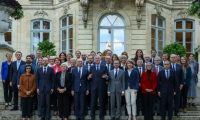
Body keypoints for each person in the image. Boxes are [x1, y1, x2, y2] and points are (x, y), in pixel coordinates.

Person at [88, 55, 108, 120]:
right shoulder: (91, 67)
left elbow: (108, 76)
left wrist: (106, 77)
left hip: (102, 87)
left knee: (101, 102)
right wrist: (89, 77)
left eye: (98, 58)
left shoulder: (104, 67)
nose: (97, 60)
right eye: (96, 58)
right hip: (93, 87)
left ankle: (101, 116)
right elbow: (89, 77)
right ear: (94, 60)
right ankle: (92, 116)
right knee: (93, 102)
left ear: (100, 59)